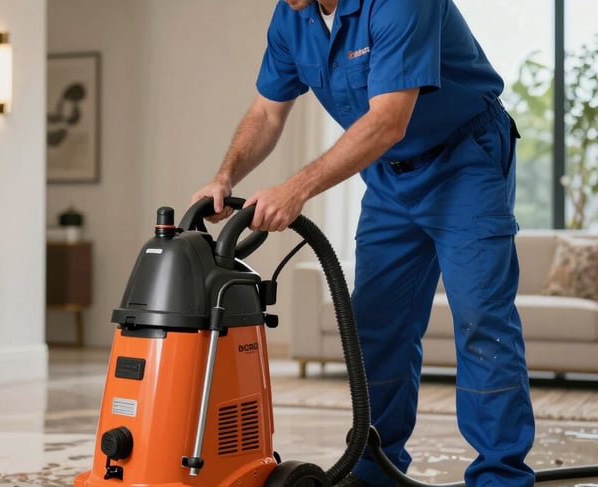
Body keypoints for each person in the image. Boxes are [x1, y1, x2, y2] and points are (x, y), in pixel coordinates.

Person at [191, 0, 536, 486]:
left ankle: (501, 476)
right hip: (390, 175)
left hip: (465, 160)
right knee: (376, 322)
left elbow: (389, 120)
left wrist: (297, 189)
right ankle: (377, 469)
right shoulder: (294, 16)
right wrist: (223, 176)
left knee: (482, 319)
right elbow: (267, 113)